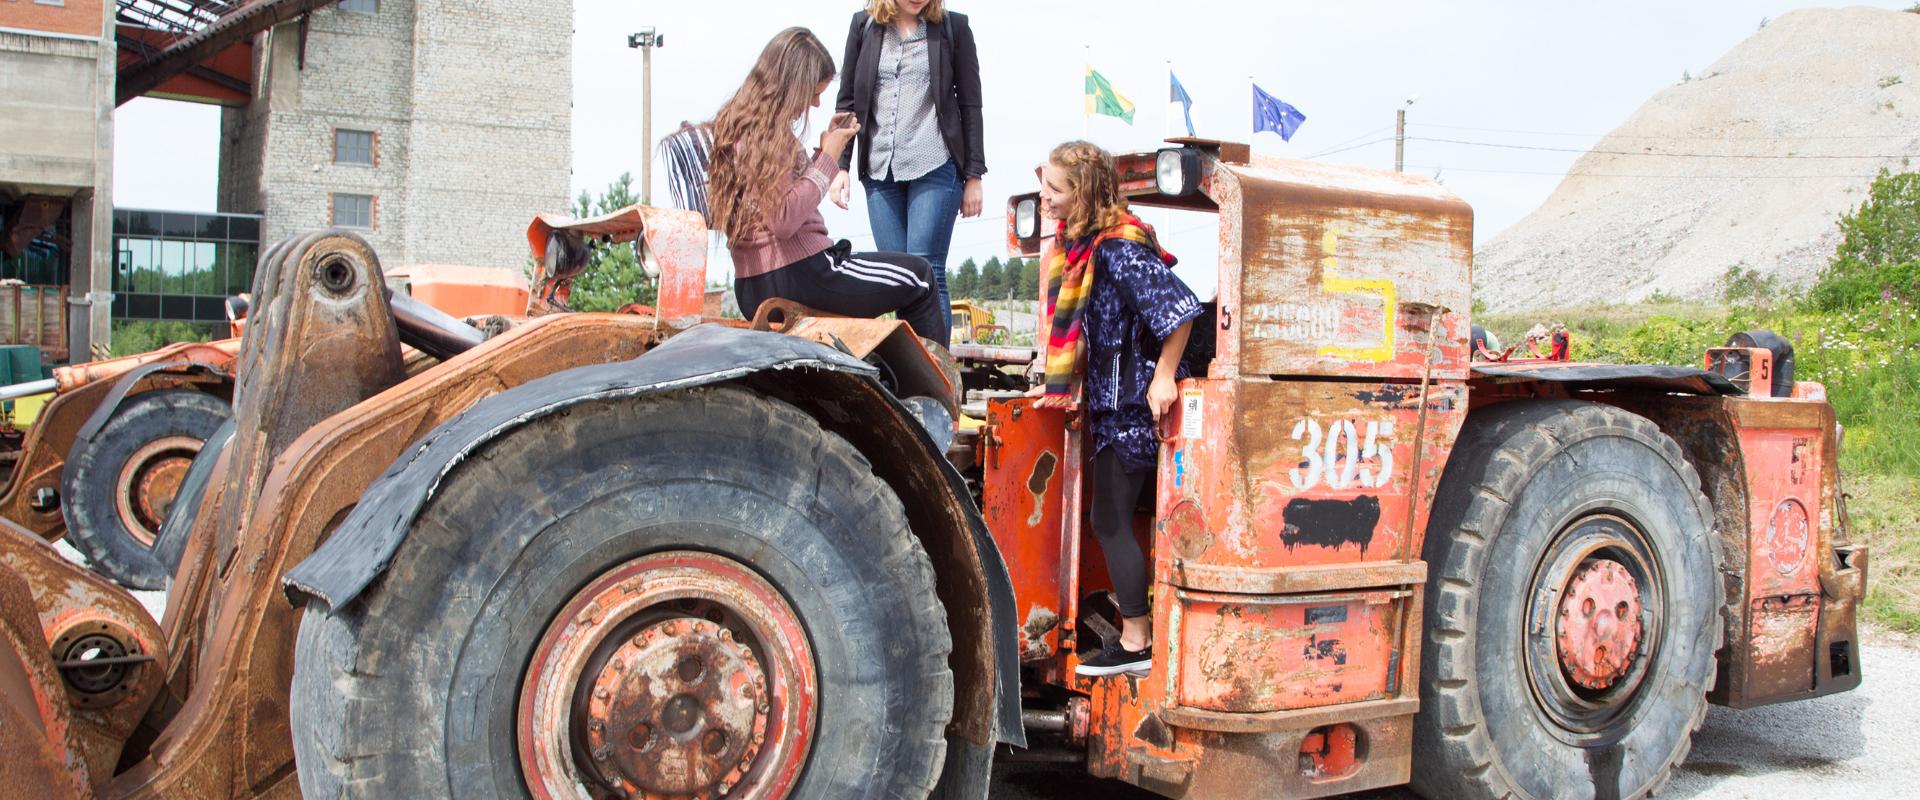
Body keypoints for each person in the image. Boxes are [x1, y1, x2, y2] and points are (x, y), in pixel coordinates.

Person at [1029, 141, 1201, 677]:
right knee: (1114, 520)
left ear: (1084, 193)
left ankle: (1135, 642)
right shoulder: (1086, 249)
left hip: (1131, 409)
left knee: (1109, 520)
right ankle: (1138, 634)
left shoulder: (1119, 250)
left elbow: (1181, 309)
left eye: (1055, 188)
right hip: (1111, 403)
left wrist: (1166, 376)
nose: (1045, 196)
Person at [707, 27, 949, 347]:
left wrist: (822, 151)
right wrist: (830, 159)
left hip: (751, 283)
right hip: (802, 273)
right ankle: (933, 394)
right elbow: (784, 219)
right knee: (919, 277)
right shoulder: (770, 135)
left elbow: (773, 203)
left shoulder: (740, 126)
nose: (817, 102)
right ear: (792, 84)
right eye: (813, 92)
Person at [831, 0, 986, 329]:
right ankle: (914, 373)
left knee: (926, 269)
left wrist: (974, 175)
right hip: (879, 169)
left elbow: (970, 105)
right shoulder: (864, 27)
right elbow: (847, 101)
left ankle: (936, 373)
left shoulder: (952, 28)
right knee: (901, 279)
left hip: (935, 164)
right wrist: (840, 165)